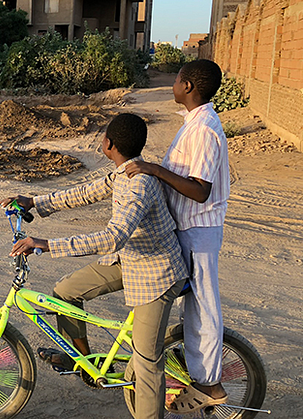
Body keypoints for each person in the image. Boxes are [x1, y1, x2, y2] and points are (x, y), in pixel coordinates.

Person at [0, 113, 188, 419]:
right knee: (63, 293)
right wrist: (33, 201)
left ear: (109, 144)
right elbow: (86, 192)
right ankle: (85, 363)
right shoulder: (125, 172)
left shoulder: (139, 185)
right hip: (129, 261)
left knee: (147, 362)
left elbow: (113, 238)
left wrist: (47, 244)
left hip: (156, 274)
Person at [125, 59, 229, 412]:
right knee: (192, 306)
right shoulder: (194, 124)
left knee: (202, 306)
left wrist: (154, 169)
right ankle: (196, 371)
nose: (172, 83)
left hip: (198, 227)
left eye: (176, 78)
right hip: (186, 226)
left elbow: (200, 190)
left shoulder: (204, 130)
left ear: (187, 87)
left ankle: (210, 384)